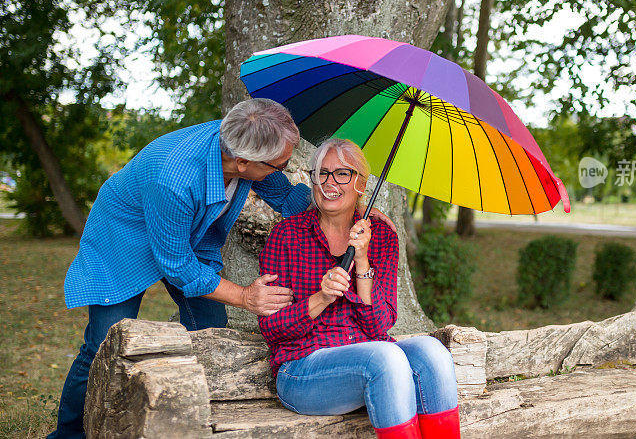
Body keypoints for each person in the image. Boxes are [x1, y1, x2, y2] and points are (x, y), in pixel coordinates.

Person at [49, 99, 394, 439]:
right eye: (279, 165)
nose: (284, 169)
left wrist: (356, 206)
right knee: (101, 344)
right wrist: (245, 296)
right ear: (244, 163)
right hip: (123, 238)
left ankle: (186, 416)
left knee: (209, 327)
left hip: (190, 233)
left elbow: (288, 197)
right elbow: (179, 267)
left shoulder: (245, 143)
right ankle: (67, 435)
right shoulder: (174, 177)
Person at [258, 138, 460, 439]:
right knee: (384, 357)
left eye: (342, 173)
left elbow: (381, 324)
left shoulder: (381, 237)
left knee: (433, 353)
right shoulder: (286, 236)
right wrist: (321, 298)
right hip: (303, 369)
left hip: (373, 358)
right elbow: (271, 329)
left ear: (361, 184)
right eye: (322, 173)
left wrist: (363, 260)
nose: (329, 183)